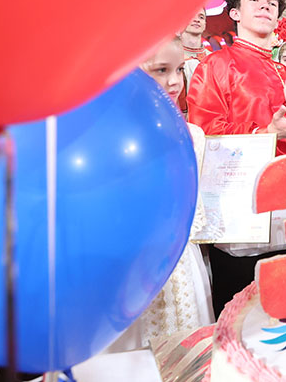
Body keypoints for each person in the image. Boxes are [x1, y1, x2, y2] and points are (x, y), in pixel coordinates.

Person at [187, 0, 286, 315]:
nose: (265, 6)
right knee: (237, 315)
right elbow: (204, 133)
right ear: (234, 12)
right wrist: (266, 133)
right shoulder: (216, 65)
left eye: (272, 2)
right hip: (240, 206)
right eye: (255, 0)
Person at [109, 36, 213, 351]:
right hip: (126, 270)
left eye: (179, 69)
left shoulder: (192, 136)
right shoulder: (110, 136)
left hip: (180, 267)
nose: (174, 81)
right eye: (161, 70)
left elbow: (193, 212)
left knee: (187, 354)